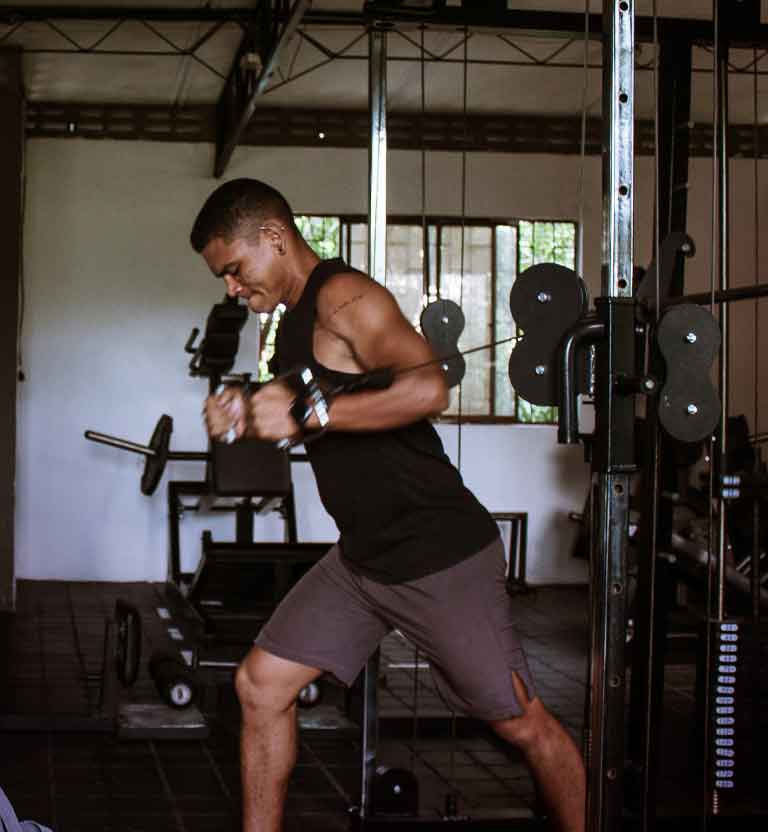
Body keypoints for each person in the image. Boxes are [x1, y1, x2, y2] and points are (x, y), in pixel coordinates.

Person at [191, 178, 586, 832]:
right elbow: (311, 398)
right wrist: (246, 407)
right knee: (261, 686)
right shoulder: (293, 322)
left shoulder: (346, 298)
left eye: (234, 269)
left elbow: (428, 388)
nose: (231, 287)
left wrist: (310, 412)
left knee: (521, 725)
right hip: (364, 561)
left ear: (273, 237)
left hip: (437, 556)